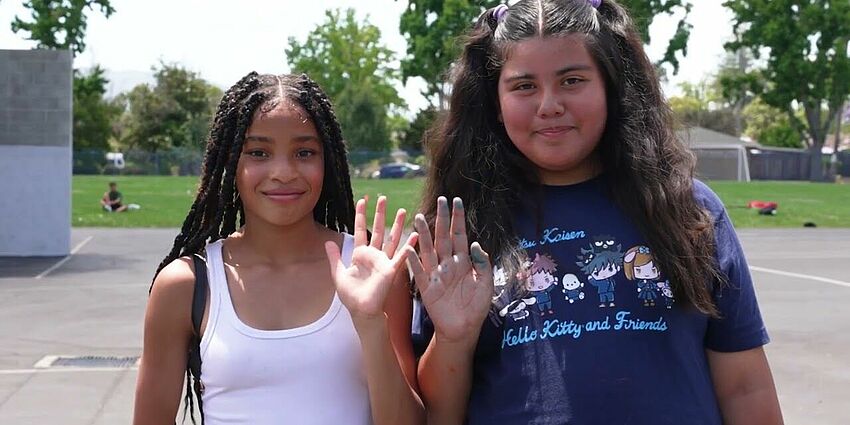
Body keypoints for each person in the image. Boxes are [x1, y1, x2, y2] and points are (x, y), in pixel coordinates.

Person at [402, 1, 784, 424]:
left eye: (572, 80)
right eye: (524, 86)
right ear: (495, 103)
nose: (549, 104)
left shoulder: (687, 209)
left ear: (611, 87)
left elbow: (745, 387)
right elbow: (439, 414)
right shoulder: (462, 229)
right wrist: (455, 338)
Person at [133, 73, 424, 425]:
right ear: (230, 164)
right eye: (258, 152)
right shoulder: (186, 285)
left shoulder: (373, 273)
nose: (283, 172)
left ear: (327, 160)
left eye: (305, 152)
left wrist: (370, 322)